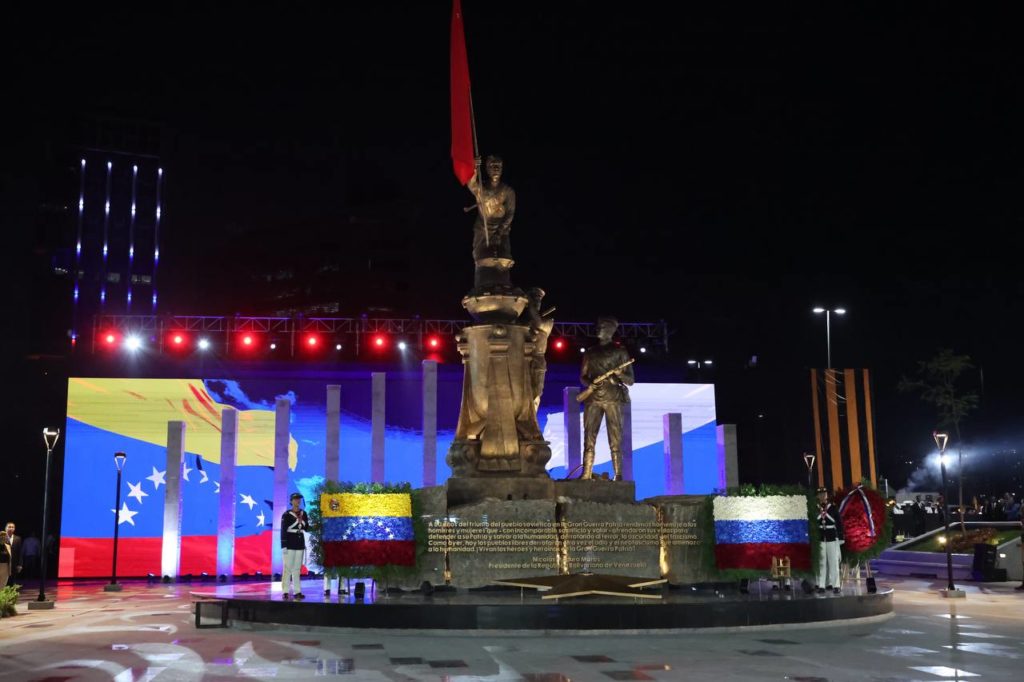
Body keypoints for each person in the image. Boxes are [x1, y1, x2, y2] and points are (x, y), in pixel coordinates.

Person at [580, 316, 635, 480]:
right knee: (589, 436)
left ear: (611, 330)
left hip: (613, 399)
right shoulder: (590, 353)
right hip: (593, 399)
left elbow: (631, 380)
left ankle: (618, 474)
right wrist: (590, 384)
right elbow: (583, 376)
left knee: (615, 438)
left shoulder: (620, 352)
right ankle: (586, 473)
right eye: (598, 326)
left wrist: (619, 374)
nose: (598, 329)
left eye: (602, 326)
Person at [466, 155, 515, 264]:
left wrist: (499, 232)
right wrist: (474, 167)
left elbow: (510, 214)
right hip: (483, 228)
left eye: (498, 166)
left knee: (503, 260)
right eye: (492, 166)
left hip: (502, 229)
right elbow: (471, 184)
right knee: (481, 258)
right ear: (487, 169)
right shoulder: (481, 189)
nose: (496, 168)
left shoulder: (508, 191)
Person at [815, 488, 844, 595]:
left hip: (832, 537)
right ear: (818, 496)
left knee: (834, 562)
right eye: (820, 494)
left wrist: (841, 537)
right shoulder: (815, 508)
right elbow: (813, 522)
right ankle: (821, 585)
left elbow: (839, 523)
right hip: (820, 538)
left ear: (827, 495)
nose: (822, 496)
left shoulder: (833, 507)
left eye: (824, 493)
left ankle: (836, 585)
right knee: (821, 563)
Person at [280, 493, 308, 600]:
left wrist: (302, 521)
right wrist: (284, 545)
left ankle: (297, 591)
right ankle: (285, 591)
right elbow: (283, 530)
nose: (298, 501)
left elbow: (307, 528)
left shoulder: (303, 513)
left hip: (299, 543)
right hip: (290, 543)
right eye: (296, 499)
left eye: (299, 499)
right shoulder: (286, 514)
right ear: (291, 501)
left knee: (297, 569)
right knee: (287, 568)